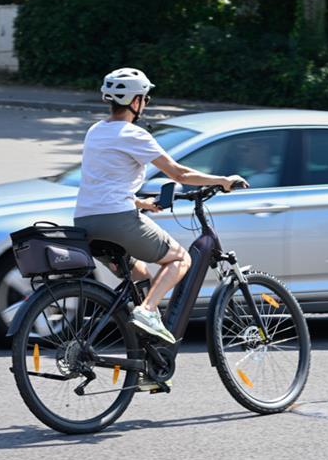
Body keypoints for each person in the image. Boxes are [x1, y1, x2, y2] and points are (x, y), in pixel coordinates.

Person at [73, 68, 247, 344]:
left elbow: (103, 181)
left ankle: (141, 350)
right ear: (135, 101)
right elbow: (179, 174)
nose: (145, 103)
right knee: (180, 259)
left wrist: (142, 203)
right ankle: (148, 311)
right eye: (145, 98)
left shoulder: (95, 131)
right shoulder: (133, 134)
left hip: (86, 223)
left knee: (141, 276)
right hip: (117, 221)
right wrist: (223, 180)